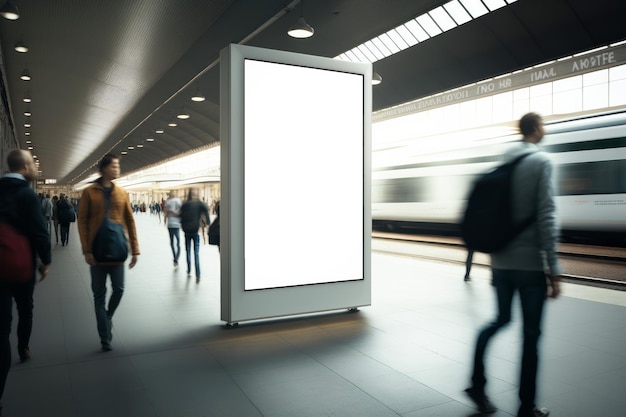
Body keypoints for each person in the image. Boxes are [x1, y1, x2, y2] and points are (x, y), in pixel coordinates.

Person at [465, 113, 561, 417]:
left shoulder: (504, 162)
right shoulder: (541, 162)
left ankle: (477, 384)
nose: (544, 130)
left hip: (501, 264)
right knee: (531, 335)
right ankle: (526, 407)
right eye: (543, 125)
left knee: (499, 320)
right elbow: (547, 217)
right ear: (535, 129)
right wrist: (553, 269)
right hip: (530, 265)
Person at [0, 150, 51, 416]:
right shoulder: (27, 194)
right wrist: (45, 260)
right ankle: (23, 347)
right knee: (25, 308)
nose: (35, 168)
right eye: (33, 163)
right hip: (20, 265)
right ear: (24, 166)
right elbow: (39, 230)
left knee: (1, 327)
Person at [77, 153, 139, 352]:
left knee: (119, 289)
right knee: (98, 295)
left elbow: (129, 220)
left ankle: (108, 316)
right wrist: (86, 249)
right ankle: (105, 337)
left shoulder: (121, 192)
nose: (117, 169)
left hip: (117, 249)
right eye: (114, 166)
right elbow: (82, 221)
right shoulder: (89, 192)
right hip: (96, 252)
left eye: (118, 166)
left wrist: (135, 249)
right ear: (103, 169)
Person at [180, 188, 209, 281]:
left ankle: (189, 269)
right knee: (196, 252)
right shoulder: (199, 204)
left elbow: (180, 216)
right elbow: (206, 210)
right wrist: (207, 222)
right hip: (195, 230)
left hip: (187, 231)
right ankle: (198, 273)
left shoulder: (184, 204)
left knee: (188, 250)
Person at [164, 191, 182, 267]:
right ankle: (175, 258)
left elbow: (166, 212)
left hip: (174, 224)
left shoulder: (175, 201)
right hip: (173, 224)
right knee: (175, 242)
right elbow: (166, 212)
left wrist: (171, 213)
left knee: (175, 242)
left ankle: (176, 257)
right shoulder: (171, 201)